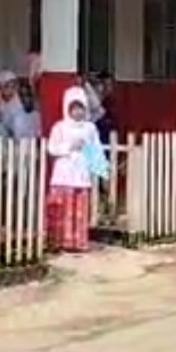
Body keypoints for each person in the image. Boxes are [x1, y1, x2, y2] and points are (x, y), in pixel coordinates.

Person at [46, 85, 108, 252]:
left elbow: (96, 149)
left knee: (80, 212)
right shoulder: (59, 127)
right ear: (67, 108)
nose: (77, 112)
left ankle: (79, 241)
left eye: (81, 108)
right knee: (63, 211)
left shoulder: (90, 128)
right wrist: (69, 147)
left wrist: (102, 171)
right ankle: (62, 241)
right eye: (73, 108)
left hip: (81, 176)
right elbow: (51, 148)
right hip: (63, 176)